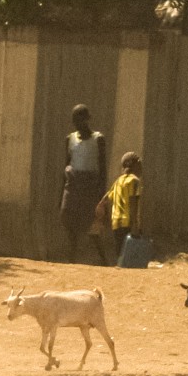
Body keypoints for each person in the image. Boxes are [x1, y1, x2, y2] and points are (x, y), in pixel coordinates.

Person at [61, 105, 111, 265]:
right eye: (75, 120)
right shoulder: (70, 139)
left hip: (90, 185)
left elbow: (102, 169)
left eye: (80, 119)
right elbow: (66, 164)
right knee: (68, 216)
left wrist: (102, 196)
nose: (77, 124)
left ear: (87, 119)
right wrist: (63, 189)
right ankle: (72, 257)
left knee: (93, 224)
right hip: (73, 184)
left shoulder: (98, 139)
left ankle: (103, 260)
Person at [107, 152, 144, 263]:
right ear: (135, 165)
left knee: (120, 254)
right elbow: (133, 203)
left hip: (116, 223)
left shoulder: (118, 181)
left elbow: (108, 196)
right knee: (130, 256)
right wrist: (135, 226)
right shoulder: (134, 181)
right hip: (128, 223)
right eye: (140, 164)